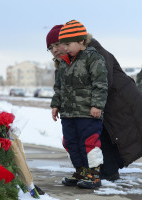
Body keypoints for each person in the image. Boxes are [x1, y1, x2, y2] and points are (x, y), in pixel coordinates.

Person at [47, 22, 142, 183]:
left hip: (120, 102)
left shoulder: (94, 54)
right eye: (50, 47)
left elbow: (103, 82)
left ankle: (104, 172)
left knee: (101, 136)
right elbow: (62, 89)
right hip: (98, 106)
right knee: (90, 136)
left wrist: (91, 104)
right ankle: (95, 171)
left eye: (58, 44)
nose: (55, 49)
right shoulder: (65, 63)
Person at [50, 20, 108, 189]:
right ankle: (81, 171)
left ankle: (94, 174)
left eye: (68, 44)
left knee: (89, 142)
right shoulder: (63, 62)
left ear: (81, 41)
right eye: (63, 44)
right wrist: (56, 105)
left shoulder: (93, 58)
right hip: (68, 113)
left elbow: (100, 84)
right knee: (70, 142)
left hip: (87, 113)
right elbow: (58, 87)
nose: (64, 48)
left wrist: (97, 105)